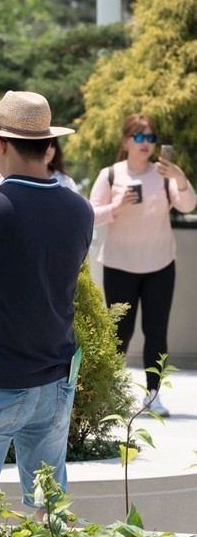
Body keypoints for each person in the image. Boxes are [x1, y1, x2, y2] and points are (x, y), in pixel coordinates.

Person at [0, 91, 94, 519]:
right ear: (48, 147)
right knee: (49, 513)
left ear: (1, 145)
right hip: (55, 381)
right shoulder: (81, 210)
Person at [89, 114, 196, 417]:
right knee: (119, 332)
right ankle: (108, 393)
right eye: (139, 137)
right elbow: (91, 215)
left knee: (156, 331)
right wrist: (118, 206)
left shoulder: (164, 176)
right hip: (119, 265)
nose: (146, 143)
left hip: (160, 265)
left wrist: (180, 177)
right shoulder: (110, 174)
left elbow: (188, 205)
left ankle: (154, 394)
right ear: (125, 141)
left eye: (150, 138)